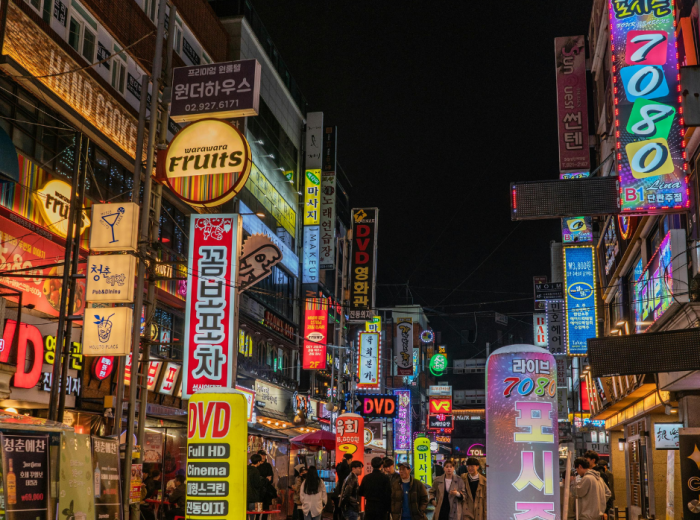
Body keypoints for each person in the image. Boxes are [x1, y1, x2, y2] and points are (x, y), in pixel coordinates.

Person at [333, 454, 353, 520]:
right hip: (344, 491)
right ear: (348, 459)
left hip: (338, 491)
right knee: (344, 511)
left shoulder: (339, 466)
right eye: (351, 459)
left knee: (337, 509)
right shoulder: (348, 469)